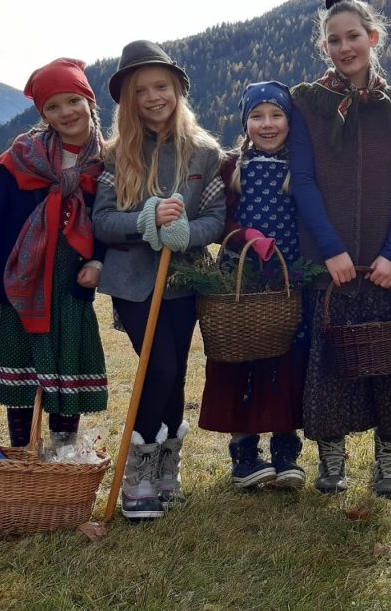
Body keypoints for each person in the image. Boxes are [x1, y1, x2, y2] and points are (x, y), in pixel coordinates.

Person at [289, 0, 391, 498]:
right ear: (325, 47)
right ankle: (332, 457)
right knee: (330, 360)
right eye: (334, 40)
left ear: (372, 37)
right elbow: (304, 179)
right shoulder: (307, 103)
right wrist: (331, 249)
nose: (345, 47)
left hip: (383, 263)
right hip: (329, 260)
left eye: (354, 36)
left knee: (387, 361)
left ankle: (388, 459)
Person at [93, 40, 224, 519]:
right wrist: (145, 219)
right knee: (159, 368)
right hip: (134, 282)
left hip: (185, 279)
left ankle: (167, 466)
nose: (153, 97)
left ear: (178, 90)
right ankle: (139, 475)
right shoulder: (114, 155)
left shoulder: (204, 153)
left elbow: (216, 217)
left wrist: (187, 232)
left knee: (176, 374)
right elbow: (101, 222)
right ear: (128, 100)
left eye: (161, 86)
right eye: (141, 90)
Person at [0, 58, 109, 466]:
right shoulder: (22, 158)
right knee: (23, 369)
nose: (66, 113)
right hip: (23, 283)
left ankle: (64, 456)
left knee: (68, 363)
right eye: (53, 107)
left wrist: (99, 262)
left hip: (71, 283)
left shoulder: (109, 162)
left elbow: (112, 221)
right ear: (43, 115)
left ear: (89, 101)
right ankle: (23, 452)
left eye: (72, 101)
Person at [197, 81, 307, 490]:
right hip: (238, 280)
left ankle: (285, 450)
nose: (267, 124)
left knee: (283, 359)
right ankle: (244, 453)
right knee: (239, 358)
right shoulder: (231, 166)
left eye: (276, 115)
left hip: (287, 279)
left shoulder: (301, 167)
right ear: (245, 122)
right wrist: (245, 237)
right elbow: (214, 217)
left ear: (289, 120)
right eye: (257, 116)